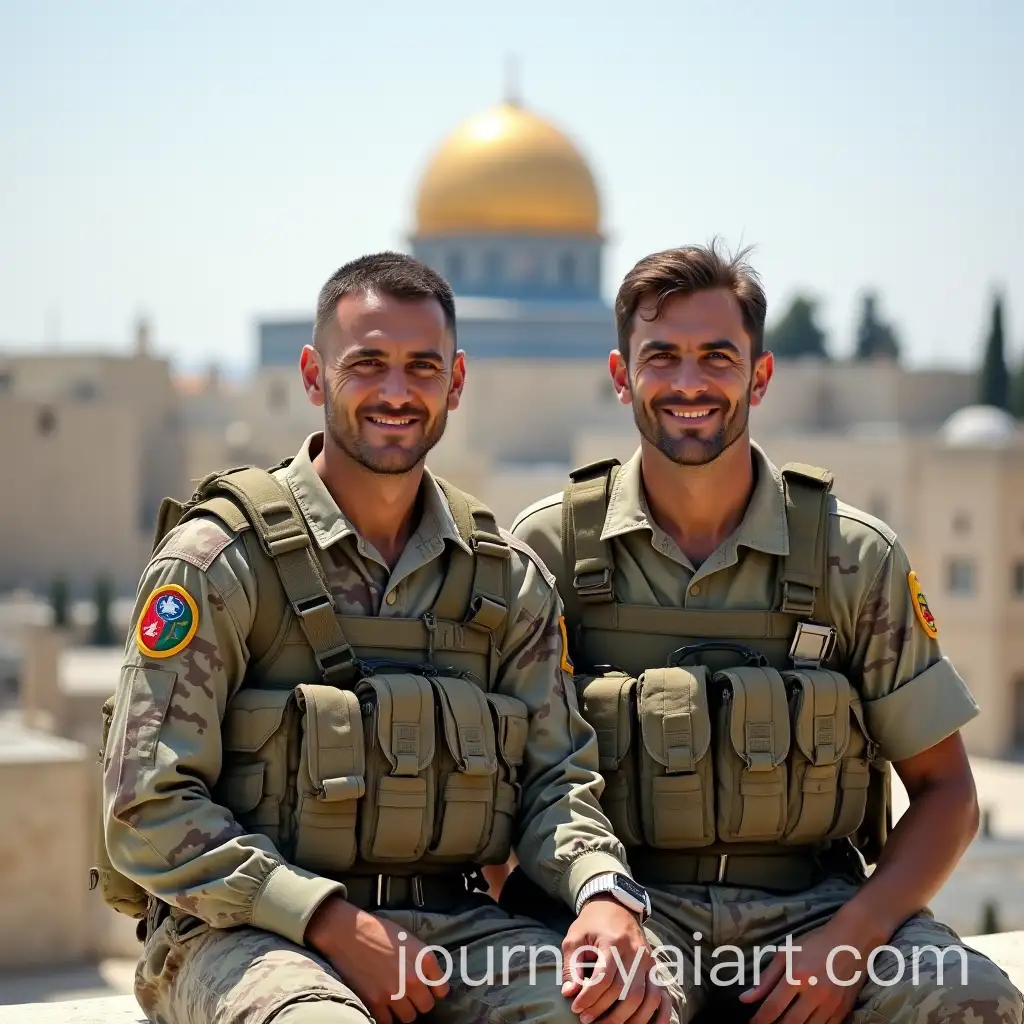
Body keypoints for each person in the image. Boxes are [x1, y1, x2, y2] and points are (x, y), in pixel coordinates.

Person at [97, 252, 671, 1024]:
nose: (396, 393)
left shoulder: (504, 582)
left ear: (456, 383)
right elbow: (145, 806)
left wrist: (603, 891)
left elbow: (556, 784)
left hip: (456, 930)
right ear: (312, 374)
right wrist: (330, 921)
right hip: (243, 936)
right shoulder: (221, 563)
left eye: (421, 367)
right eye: (367, 363)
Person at [509, 242, 1024, 1024]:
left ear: (761, 374)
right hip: (626, 911)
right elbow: (509, 783)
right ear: (622, 377)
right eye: (662, 357)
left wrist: (853, 937)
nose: (689, 383)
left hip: (816, 908)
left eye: (718, 356)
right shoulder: (551, 551)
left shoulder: (850, 557)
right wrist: (596, 904)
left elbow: (948, 792)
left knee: (973, 1000)